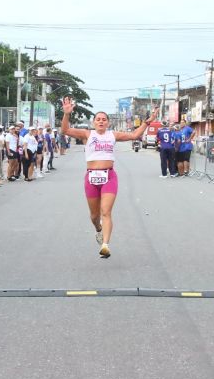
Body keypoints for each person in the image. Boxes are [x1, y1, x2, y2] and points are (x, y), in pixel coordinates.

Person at [61, 97, 158, 258]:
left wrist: (148, 122)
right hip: (91, 178)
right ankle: (98, 230)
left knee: (106, 212)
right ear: (93, 122)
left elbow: (135, 135)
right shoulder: (87, 134)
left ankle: (105, 245)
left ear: (108, 123)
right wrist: (66, 115)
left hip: (109, 177)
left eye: (104, 120)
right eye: (98, 119)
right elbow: (65, 131)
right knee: (94, 216)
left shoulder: (113, 135)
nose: (101, 122)